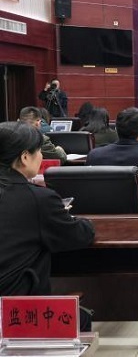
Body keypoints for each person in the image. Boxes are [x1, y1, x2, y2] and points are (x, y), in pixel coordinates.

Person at [0, 121, 95, 297]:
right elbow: (79, 235)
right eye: (38, 151)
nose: (41, 156)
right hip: (14, 306)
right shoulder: (37, 199)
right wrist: (83, 222)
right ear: (25, 157)